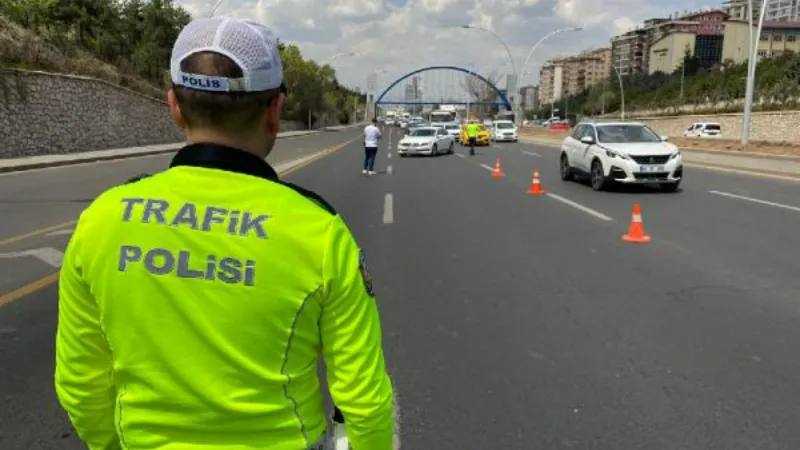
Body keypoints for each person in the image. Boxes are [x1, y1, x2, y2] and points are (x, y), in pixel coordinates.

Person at [54, 16, 395, 450]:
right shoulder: (320, 231)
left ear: (174, 106)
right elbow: (365, 402)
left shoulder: (102, 220)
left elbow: (80, 383)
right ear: (275, 110)